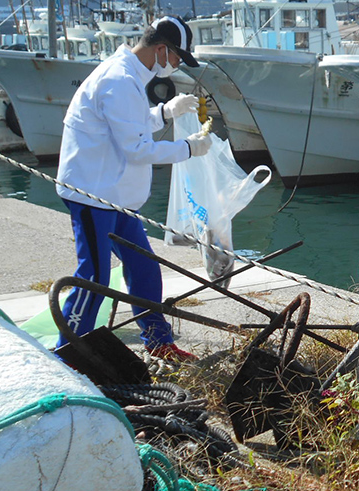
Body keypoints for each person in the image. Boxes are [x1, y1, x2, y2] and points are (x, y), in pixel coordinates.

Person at [55, 16, 212, 362]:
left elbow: (130, 125)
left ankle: (158, 341)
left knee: (143, 268)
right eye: (176, 59)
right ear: (161, 49)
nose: (174, 66)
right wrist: (188, 148)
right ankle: (66, 350)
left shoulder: (128, 74)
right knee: (94, 277)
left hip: (116, 197)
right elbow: (137, 149)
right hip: (91, 193)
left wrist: (165, 113)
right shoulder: (119, 80)